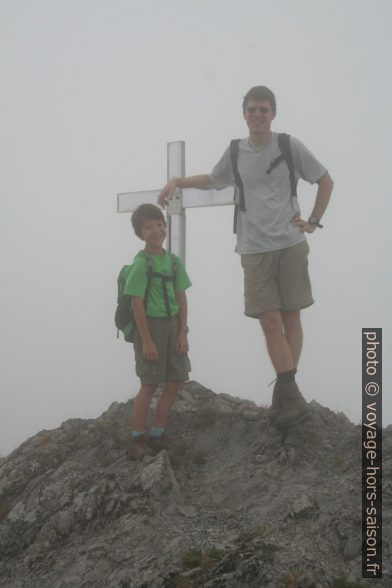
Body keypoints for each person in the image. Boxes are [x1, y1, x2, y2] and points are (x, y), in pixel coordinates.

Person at [158, 86, 334, 431]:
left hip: (289, 242)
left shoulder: (287, 145)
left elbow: (325, 180)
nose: (257, 115)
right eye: (252, 110)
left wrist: (313, 221)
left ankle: (287, 393)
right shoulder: (235, 151)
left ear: (273, 114)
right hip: (253, 246)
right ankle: (290, 391)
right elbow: (213, 180)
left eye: (263, 110)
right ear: (244, 113)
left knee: (291, 315)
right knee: (269, 320)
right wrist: (177, 180)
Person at [124, 204, 191, 459]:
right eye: (149, 227)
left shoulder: (174, 262)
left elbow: (182, 298)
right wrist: (147, 341)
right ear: (140, 233)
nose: (157, 230)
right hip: (150, 327)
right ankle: (137, 438)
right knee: (150, 384)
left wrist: (183, 332)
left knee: (174, 381)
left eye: (160, 224)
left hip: (174, 326)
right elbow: (137, 304)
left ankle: (157, 433)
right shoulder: (141, 263)